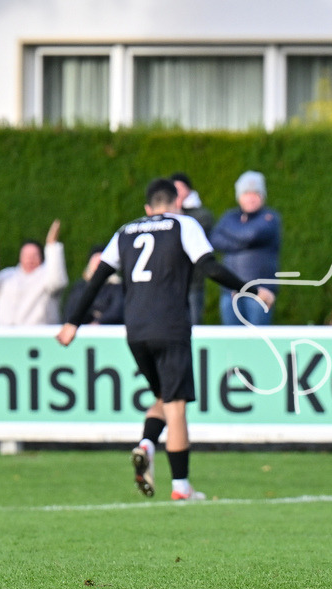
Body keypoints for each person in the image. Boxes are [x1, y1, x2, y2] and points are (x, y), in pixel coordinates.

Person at [57, 179, 274, 501]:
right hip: (170, 326)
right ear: (175, 203)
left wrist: (72, 322)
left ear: (147, 208)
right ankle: (181, 487)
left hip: (136, 330)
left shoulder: (126, 231)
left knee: (162, 395)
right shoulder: (183, 224)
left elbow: (97, 279)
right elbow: (210, 268)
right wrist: (255, 290)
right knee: (176, 407)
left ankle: (146, 443)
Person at [209, 170, 281, 325]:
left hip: (260, 293)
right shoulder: (230, 216)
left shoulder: (270, 217)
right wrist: (242, 241)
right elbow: (215, 240)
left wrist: (232, 236)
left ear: (262, 195)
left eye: (255, 193)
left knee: (258, 343)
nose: (251, 198)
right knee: (232, 343)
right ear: (239, 196)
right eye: (246, 193)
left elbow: (252, 234)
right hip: (231, 293)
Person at [0, 220, 68, 325]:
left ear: (42, 257)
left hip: (38, 336)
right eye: (26, 255)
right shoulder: (9, 275)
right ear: (20, 257)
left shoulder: (47, 276)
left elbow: (57, 281)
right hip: (6, 335)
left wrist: (52, 246)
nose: (30, 259)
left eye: (34, 255)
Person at [171, 172, 216, 325]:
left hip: (193, 280)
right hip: (171, 281)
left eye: (180, 188)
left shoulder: (201, 215)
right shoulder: (167, 215)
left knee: (194, 322)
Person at [63, 245, 124, 325]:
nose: (98, 262)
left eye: (101, 259)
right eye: (95, 259)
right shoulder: (79, 288)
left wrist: (99, 322)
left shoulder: (117, 288)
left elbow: (117, 311)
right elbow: (70, 312)